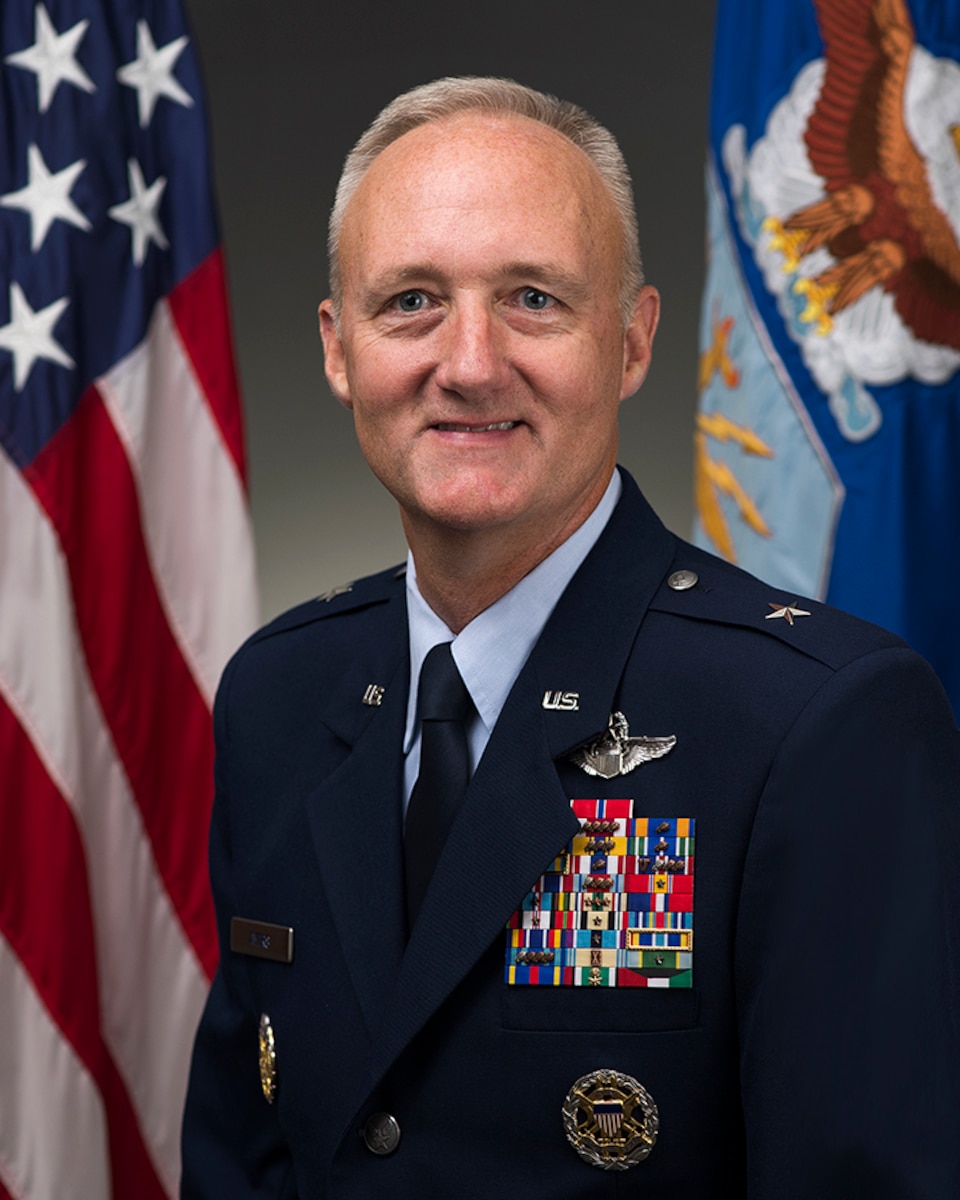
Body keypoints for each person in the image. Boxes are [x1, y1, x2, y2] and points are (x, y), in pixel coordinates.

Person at [181, 77, 960, 1198]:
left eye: (534, 299)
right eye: (410, 301)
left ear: (633, 341)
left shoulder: (817, 721)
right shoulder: (279, 695)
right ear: (339, 348)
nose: (471, 362)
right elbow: (240, 1159)